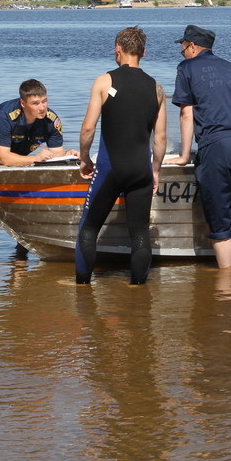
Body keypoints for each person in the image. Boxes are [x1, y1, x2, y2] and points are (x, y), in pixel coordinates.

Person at [75, 27, 167, 285]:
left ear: (118, 49)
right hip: (141, 171)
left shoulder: (105, 81)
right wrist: (155, 170)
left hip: (110, 168)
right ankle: (138, 289)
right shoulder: (156, 88)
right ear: (144, 53)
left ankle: (82, 288)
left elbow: (88, 128)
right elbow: (160, 139)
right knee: (139, 232)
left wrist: (84, 158)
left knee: (89, 227)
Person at [166, 24, 231, 272]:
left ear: (193, 47)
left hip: (217, 146)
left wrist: (184, 155)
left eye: (183, 47)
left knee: (220, 220)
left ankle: (226, 283)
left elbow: (187, 114)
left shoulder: (187, 68)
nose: (182, 52)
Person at [0, 78, 78, 246]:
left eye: (44, 101)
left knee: (21, 189)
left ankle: (23, 242)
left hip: (14, 149)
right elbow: (3, 158)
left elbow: (57, 154)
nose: (42, 107)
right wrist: (35, 159)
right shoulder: (4, 117)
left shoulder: (51, 120)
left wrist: (69, 155)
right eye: (35, 103)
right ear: (23, 103)